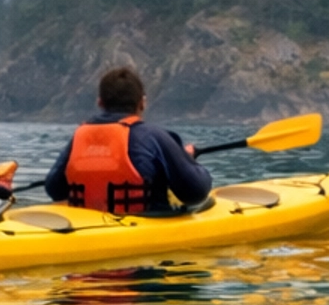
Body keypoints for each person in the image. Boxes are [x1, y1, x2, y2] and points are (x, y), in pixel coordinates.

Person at [45, 64, 212, 216]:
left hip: (86, 225)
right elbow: (195, 192)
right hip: (142, 228)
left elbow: (54, 190)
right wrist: (187, 160)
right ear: (142, 103)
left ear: (100, 102)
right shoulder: (153, 135)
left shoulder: (79, 136)